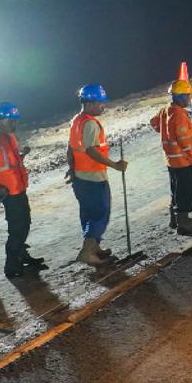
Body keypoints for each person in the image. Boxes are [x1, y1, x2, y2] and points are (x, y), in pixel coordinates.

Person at [0, 101, 46, 280]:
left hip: (19, 188)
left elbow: (9, 162)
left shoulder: (11, 138)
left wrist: (23, 155)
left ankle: (21, 254)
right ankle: (11, 265)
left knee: (25, 223)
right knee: (16, 227)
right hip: (7, 192)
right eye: (10, 121)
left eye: (15, 120)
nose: (14, 124)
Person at [67, 83, 127, 266]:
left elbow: (71, 148)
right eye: (101, 102)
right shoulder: (91, 123)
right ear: (91, 102)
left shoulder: (77, 120)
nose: (104, 106)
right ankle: (87, 251)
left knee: (88, 214)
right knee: (100, 214)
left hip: (81, 177)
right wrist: (115, 165)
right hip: (93, 178)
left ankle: (94, 248)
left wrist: (72, 169)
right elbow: (92, 151)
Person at [151, 78, 192, 236]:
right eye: (188, 95)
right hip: (183, 161)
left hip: (171, 160)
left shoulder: (166, 110)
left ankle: (174, 219)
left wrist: (166, 132)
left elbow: (154, 123)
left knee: (175, 190)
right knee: (186, 191)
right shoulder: (179, 114)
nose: (189, 98)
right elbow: (184, 139)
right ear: (181, 97)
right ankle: (184, 223)